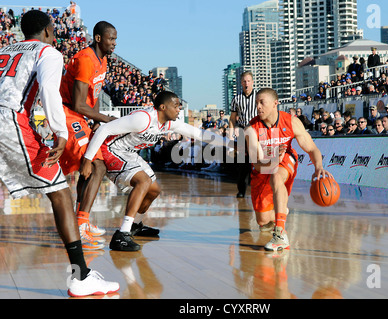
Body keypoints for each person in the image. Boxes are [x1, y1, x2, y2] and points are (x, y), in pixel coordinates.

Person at [0, 10, 118, 297]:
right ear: (49, 31)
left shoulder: (4, 49)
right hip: (9, 121)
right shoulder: (48, 53)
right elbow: (51, 93)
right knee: (60, 192)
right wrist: (61, 133)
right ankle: (80, 277)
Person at [79, 91, 234, 251]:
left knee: (154, 190)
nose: (179, 110)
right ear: (162, 107)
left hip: (128, 152)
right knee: (143, 181)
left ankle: (135, 226)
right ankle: (121, 235)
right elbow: (103, 129)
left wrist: (230, 144)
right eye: (176, 106)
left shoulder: (169, 123)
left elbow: (199, 134)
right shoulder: (143, 118)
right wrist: (87, 159)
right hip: (111, 149)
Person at [244, 88, 332, 251]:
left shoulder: (291, 121)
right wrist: (273, 159)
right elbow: (257, 165)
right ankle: (281, 209)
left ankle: (280, 233)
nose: (258, 106)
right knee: (263, 221)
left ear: (275, 104)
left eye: (262, 102)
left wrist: (318, 167)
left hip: (286, 158)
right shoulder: (251, 128)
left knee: (276, 177)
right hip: (263, 166)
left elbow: (312, 148)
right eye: (256, 103)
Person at [59, 21, 118, 250]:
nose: (114, 43)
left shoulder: (103, 60)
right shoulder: (85, 59)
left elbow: (89, 99)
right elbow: (78, 103)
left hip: (81, 116)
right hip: (69, 113)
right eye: (111, 38)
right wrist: (105, 119)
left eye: (116, 39)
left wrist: (95, 120)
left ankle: (80, 221)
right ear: (98, 38)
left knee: (94, 168)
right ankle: (80, 223)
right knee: (95, 167)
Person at [229, 71, 257, 198]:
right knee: (242, 165)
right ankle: (241, 191)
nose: (246, 83)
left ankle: (261, 190)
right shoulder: (236, 99)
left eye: (248, 81)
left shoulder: (259, 96)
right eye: (244, 81)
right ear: (241, 83)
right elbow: (232, 118)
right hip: (241, 131)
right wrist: (231, 133)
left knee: (259, 161)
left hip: (257, 131)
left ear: (252, 82)